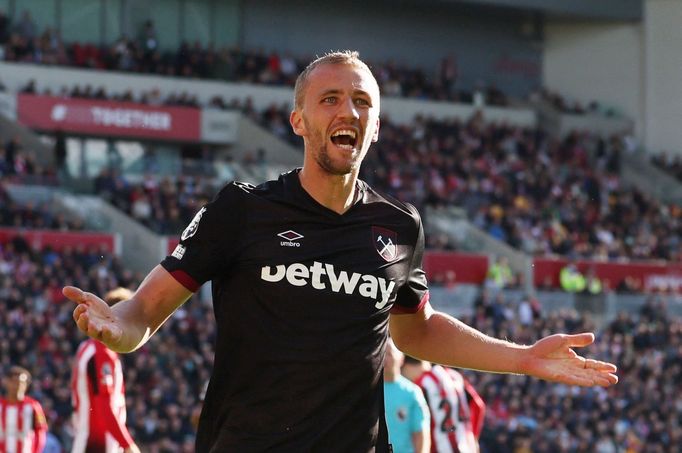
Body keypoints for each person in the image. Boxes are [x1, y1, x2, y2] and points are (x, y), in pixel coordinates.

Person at [63, 50, 618, 452]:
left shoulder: (398, 225)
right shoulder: (244, 207)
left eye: (361, 101)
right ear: (299, 121)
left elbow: (416, 331)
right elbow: (146, 312)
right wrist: (119, 328)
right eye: (330, 99)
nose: (347, 111)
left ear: (375, 128)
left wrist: (523, 358)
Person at [70, 287, 140, 453]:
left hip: (87, 439)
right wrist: (127, 444)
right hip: (98, 444)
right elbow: (104, 404)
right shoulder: (102, 353)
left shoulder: (87, 347)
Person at [402, 357, 485, 453]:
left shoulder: (420, 385)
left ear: (406, 366)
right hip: (467, 447)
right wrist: (473, 438)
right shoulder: (455, 376)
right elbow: (479, 405)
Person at [384, 338, 430, 453]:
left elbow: (421, 433)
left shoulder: (412, 392)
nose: (385, 359)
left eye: (389, 354)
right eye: (382, 354)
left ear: (401, 358)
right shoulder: (372, 390)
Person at [0, 366, 48, 453]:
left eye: (21, 382)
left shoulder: (34, 406)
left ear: (26, 385)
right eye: (13, 381)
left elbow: (40, 432)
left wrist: (36, 451)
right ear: (6, 382)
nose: (17, 385)